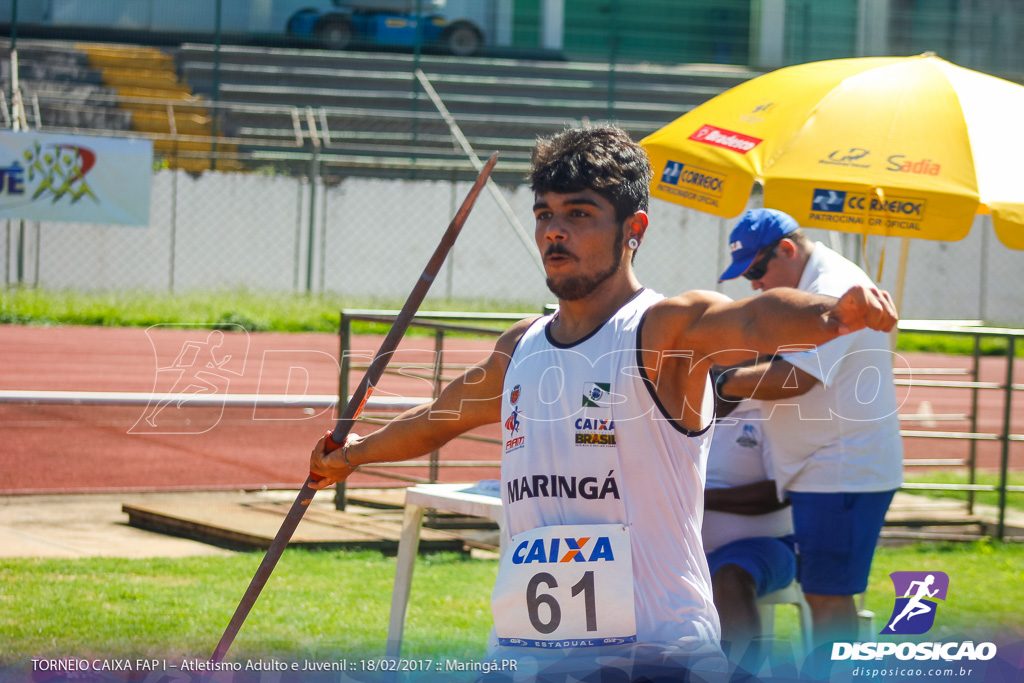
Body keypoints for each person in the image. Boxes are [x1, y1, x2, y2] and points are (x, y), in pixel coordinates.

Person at [309, 127, 898, 679]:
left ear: (633, 228)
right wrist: (353, 455)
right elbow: (440, 417)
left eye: (579, 214)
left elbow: (750, 318)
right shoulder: (521, 347)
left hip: (655, 652)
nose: (554, 231)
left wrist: (829, 315)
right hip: (531, 653)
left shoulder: (662, 331)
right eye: (545, 214)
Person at [714, 208, 904, 647]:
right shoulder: (819, 284)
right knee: (827, 597)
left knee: (827, 599)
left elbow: (795, 378)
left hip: (838, 468)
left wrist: (723, 381)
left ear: (787, 249)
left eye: (757, 270)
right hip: (829, 467)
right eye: (746, 276)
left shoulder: (832, 288)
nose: (755, 284)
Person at [703, 396, 795, 668]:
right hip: (679, 547)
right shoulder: (670, 405)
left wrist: (697, 499)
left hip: (767, 545)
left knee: (731, 577)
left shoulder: (771, 410)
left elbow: (782, 491)